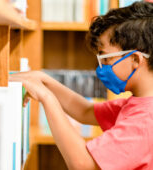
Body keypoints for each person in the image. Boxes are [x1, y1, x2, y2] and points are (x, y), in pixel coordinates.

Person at [10, 2, 153, 170]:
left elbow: (83, 164)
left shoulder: (145, 121)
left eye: (106, 58)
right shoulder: (139, 104)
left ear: (135, 60)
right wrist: (44, 80)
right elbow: (85, 111)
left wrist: (46, 98)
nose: (101, 67)